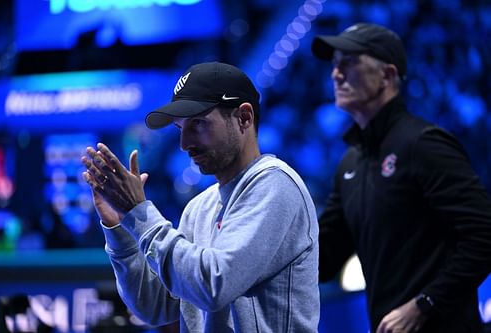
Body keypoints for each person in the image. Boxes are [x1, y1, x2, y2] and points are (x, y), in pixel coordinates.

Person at [80, 61, 320, 332]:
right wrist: (122, 229)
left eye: (198, 124)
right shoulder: (199, 207)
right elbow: (155, 306)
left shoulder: (275, 185)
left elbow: (214, 285)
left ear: (244, 117)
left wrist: (140, 214)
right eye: (181, 128)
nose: (185, 144)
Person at [311, 23, 491, 333]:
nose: (336, 74)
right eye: (335, 64)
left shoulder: (424, 144)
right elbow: (323, 257)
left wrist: (426, 303)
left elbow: (484, 235)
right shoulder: (351, 162)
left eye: (349, 63)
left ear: (388, 75)